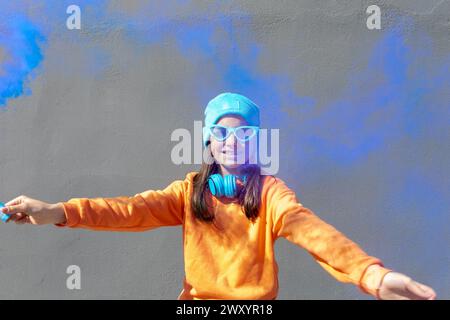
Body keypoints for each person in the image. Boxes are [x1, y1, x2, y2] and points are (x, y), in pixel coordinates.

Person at [2, 92, 436, 300]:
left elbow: (315, 234)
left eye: (243, 132)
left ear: (256, 139)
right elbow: (129, 210)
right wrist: (57, 211)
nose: (231, 140)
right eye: (221, 132)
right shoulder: (189, 192)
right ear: (209, 138)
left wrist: (372, 276)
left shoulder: (270, 195)